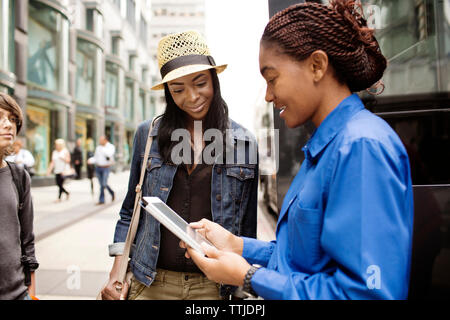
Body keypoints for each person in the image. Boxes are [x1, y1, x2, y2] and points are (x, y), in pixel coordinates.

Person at [183, 1, 414, 300]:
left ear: (316, 66)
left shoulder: (361, 147)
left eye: (272, 78)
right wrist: (236, 245)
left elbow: (366, 294)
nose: (268, 95)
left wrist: (247, 276)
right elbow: (298, 258)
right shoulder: (327, 149)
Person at [101, 30, 258, 300]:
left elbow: (247, 228)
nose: (192, 96)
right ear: (168, 92)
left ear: (214, 80)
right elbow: (130, 210)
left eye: (200, 83)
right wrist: (116, 275)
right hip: (150, 283)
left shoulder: (244, 143)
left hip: (214, 286)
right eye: (178, 89)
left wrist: (243, 287)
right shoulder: (147, 135)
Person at [0, 92, 39, 300]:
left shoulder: (18, 176)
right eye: (0, 117)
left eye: (12, 119)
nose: (8, 125)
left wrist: (31, 293)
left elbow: (27, 240)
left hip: (18, 294)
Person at [93, 135, 115, 205]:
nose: (100, 141)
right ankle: (111, 192)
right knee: (102, 184)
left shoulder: (110, 147)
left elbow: (109, 154)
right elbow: (96, 157)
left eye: (101, 140)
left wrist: (103, 148)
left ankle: (101, 200)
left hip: (106, 168)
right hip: (98, 167)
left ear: (105, 140)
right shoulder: (98, 147)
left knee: (104, 184)